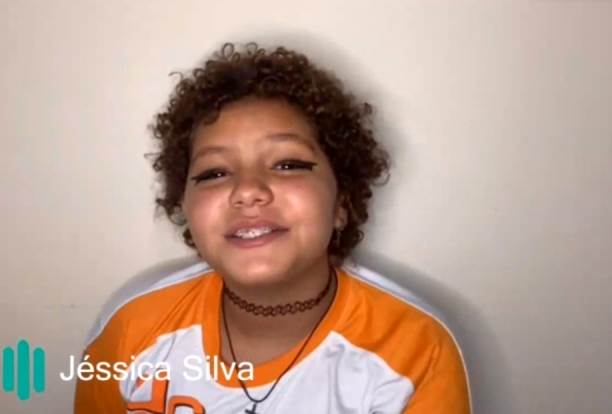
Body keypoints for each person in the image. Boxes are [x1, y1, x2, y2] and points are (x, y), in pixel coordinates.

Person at [74, 42, 471, 413]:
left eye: (287, 164)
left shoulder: (416, 353)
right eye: (214, 173)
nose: (247, 191)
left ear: (342, 203)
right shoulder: (131, 328)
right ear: (186, 209)